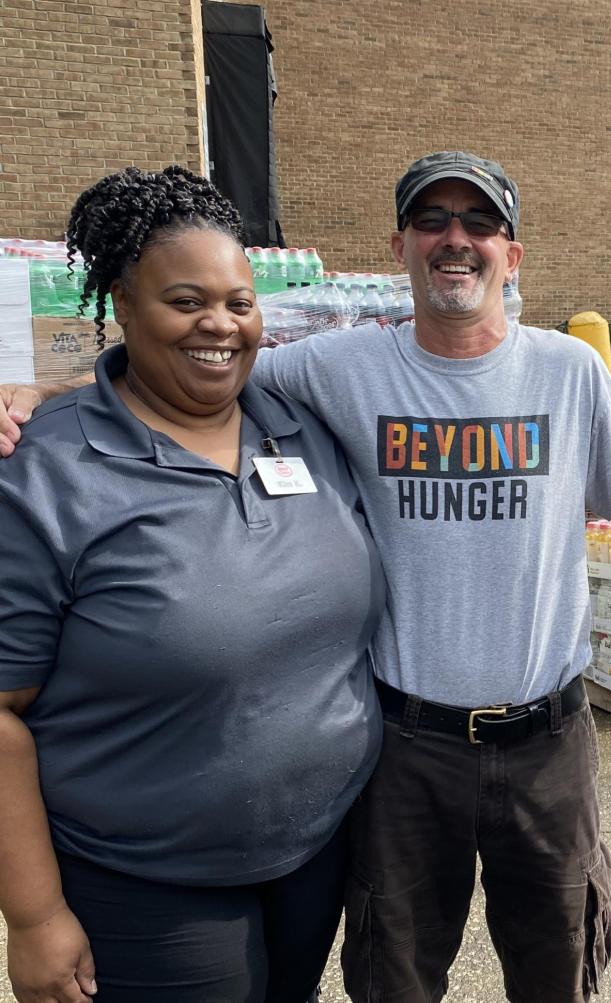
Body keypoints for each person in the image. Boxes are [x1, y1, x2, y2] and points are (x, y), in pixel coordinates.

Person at [1, 151, 611, 1003]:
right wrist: (33, 395)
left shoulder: (569, 372)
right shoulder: (334, 369)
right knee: (395, 970)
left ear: (512, 254)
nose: (456, 241)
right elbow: (175, 369)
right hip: (408, 748)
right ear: (401, 246)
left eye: (480, 224)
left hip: (548, 743)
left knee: (556, 959)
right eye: (432, 222)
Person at [0, 165, 386, 1003]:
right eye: (185, 301)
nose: (220, 323)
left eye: (239, 302)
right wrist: (32, 917)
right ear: (123, 305)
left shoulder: (302, 427)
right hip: (145, 885)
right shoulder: (46, 473)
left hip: (313, 855)